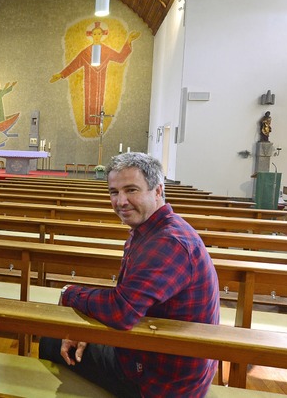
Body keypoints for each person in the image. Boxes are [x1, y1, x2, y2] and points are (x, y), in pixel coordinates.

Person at [39, 152, 219, 398]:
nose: (121, 201)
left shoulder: (170, 242)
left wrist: (69, 293)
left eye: (131, 190)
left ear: (157, 191)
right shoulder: (150, 228)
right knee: (70, 336)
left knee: (50, 339)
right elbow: (130, 301)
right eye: (114, 192)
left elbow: (121, 312)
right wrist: (88, 332)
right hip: (150, 349)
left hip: (163, 381)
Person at [50, 22, 139, 134]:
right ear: (91, 35)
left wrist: (129, 40)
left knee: (99, 101)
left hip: (101, 80)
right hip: (89, 80)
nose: (97, 36)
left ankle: (98, 125)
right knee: (88, 101)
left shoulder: (107, 50)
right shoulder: (86, 51)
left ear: (102, 35)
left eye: (99, 34)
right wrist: (61, 74)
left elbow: (120, 58)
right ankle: (88, 124)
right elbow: (75, 64)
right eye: (95, 34)